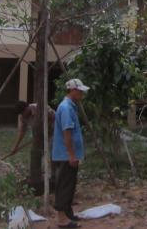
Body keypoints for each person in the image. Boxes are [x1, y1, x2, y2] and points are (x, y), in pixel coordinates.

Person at [52, 78, 90, 229]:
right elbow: (66, 132)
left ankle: (68, 213)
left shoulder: (71, 106)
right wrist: (71, 155)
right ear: (72, 90)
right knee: (65, 185)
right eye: (80, 91)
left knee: (70, 184)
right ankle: (62, 219)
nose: (82, 93)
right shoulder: (66, 108)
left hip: (68, 154)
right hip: (65, 155)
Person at [10, 100, 55, 195]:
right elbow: (22, 131)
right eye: (20, 114)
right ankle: (37, 178)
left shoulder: (40, 108)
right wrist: (15, 146)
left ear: (27, 107)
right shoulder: (23, 117)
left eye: (23, 112)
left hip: (53, 132)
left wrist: (44, 126)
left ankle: (54, 178)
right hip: (38, 134)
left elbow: (55, 117)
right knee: (35, 153)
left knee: (52, 154)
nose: (22, 115)